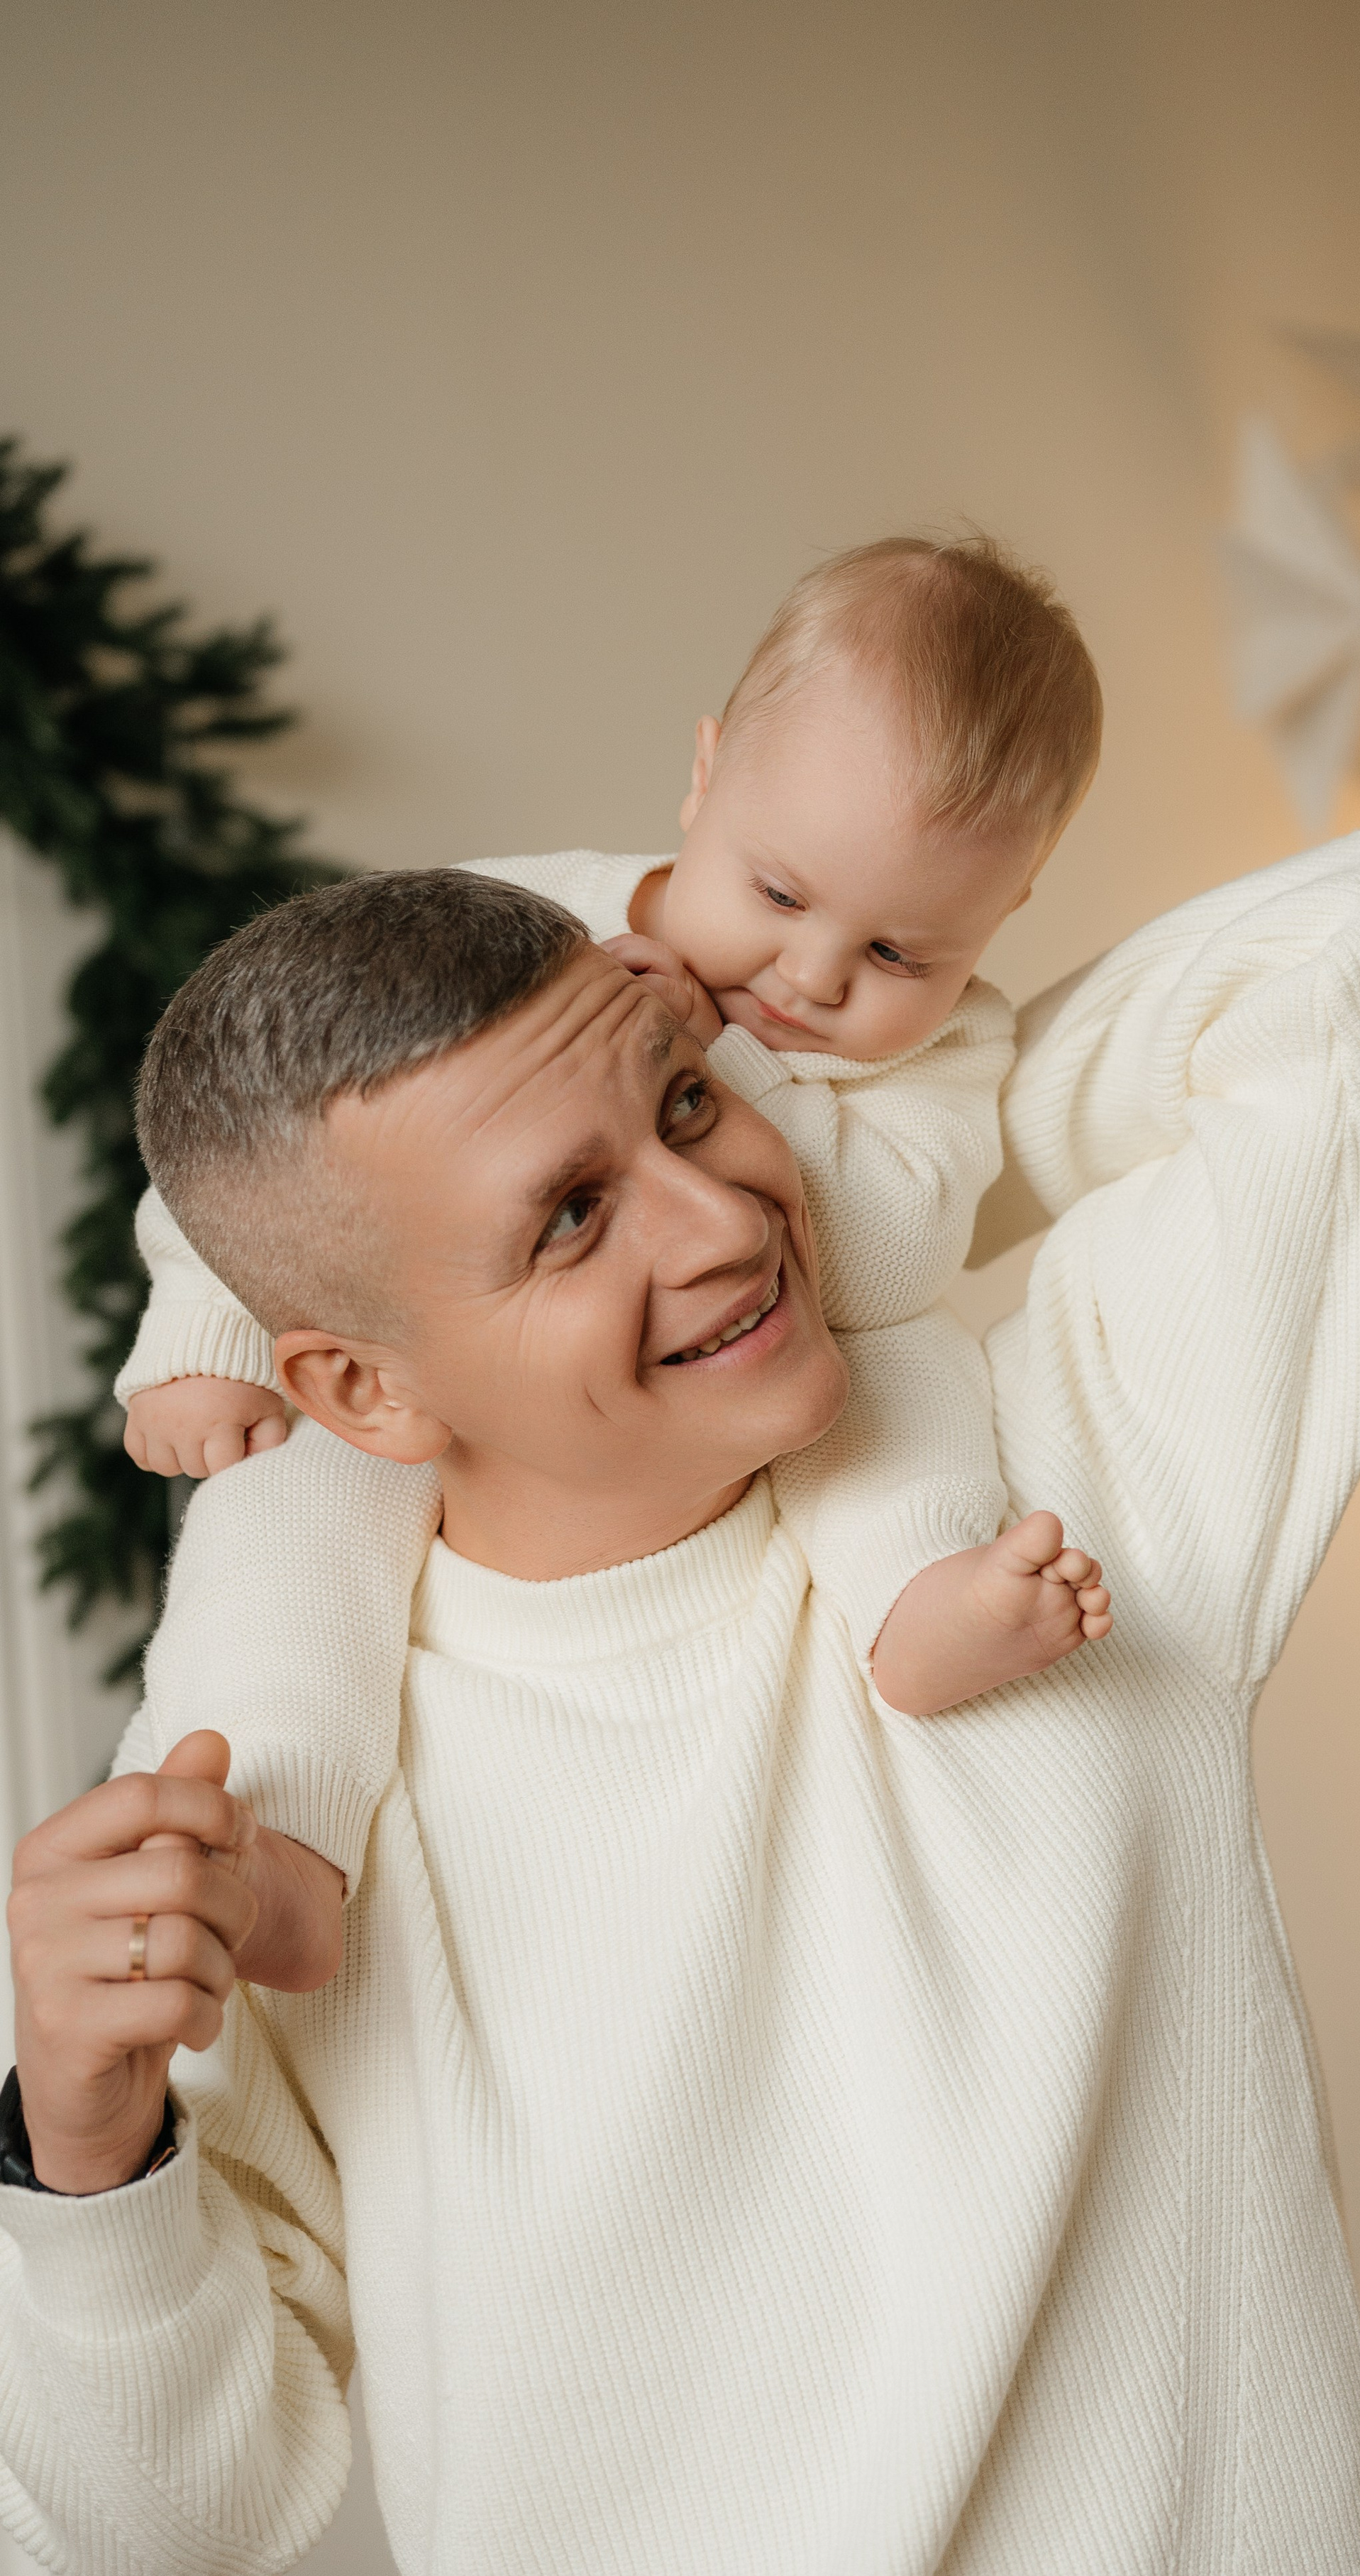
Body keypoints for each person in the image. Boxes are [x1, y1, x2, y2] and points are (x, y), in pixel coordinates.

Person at [0, 797, 1360, 2576]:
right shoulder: (277, 1815)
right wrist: (83, 2133)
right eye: (569, 1214)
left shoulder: (1054, 1507)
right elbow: (172, 2546)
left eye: (693, 1103)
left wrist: (691, 940)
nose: (725, 1220)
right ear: (359, 1392)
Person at [112, 535, 1112, 1993]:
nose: (814, 979)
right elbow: (290, 1158)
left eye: (901, 952)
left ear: (999, 921)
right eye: (776, 896)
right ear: (702, 779)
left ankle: (919, 1602)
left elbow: (889, 1253)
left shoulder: (953, 1050)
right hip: (474, 1392)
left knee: (905, 1384)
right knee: (283, 1507)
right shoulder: (534, 922)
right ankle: (281, 1853)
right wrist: (197, 1334)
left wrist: (728, 1072)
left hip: (801, 1342)